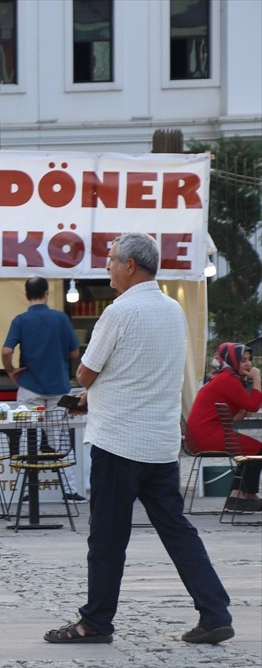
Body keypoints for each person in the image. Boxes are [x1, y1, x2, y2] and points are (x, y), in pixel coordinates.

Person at [44, 233, 234, 646]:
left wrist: (90, 391)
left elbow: (86, 373)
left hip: (118, 442)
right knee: (177, 530)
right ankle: (215, 611)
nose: (108, 267)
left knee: (108, 537)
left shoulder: (119, 311)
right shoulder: (173, 310)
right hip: (160, 442)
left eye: (112, 260)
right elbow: (141, 372)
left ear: (130, 265)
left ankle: (95, 621)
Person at [2, 276, 84, 501]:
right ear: (47, 293)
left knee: (30, 439)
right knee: (60, 440)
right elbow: (75, 353)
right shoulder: (61, 318)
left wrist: (11, 371)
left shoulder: (20, 320)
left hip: (29, 388)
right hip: (59, 388)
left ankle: (29, 490)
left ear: (27, 295)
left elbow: (7, 351)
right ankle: (70, 489)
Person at [186, 342, 262, 511]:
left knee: (253, 449)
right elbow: (253, 405)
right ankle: (240, 495)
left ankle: (243, 495)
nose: (249, 364)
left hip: (203, 433)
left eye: (249, 360)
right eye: (242, 360)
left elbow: (241, 411)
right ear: (232, 360)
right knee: (256, 449)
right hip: (205, 435)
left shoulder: (226, 377)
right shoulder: (227, 379)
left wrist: (244, 406)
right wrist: (257, 378)